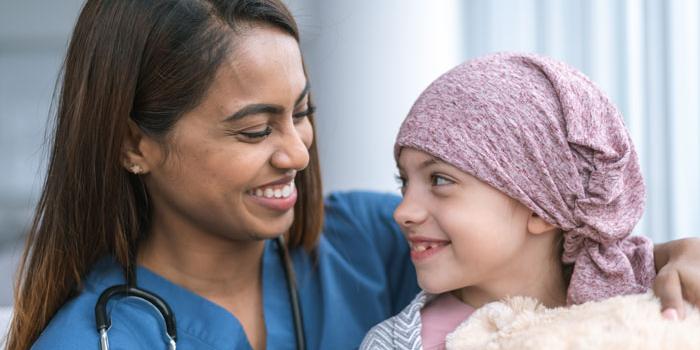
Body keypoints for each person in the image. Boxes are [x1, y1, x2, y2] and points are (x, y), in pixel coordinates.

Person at [5, 1, 700, 349]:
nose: (298, 155)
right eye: (254, 130)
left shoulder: (367, 241)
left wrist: (675, 256)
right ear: (134, 145)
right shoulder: (93, 339)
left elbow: (543, 258)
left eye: (302, 114)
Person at [360, 53, 700, 350]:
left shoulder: (661, 300)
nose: (402, 211)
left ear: (541, 207)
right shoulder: (394, 344)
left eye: (439, 180)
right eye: (403, 182)